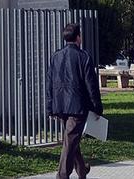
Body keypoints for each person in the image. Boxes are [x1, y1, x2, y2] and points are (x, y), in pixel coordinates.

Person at [46, 22, 103, 179]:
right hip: (77, 107)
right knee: (70, 142)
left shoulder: (55, 56)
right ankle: (62, 176)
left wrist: (50, 107)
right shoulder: (83, 57)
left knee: (72, 139)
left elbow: (49, 83)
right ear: (78, 37)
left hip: (60, 105)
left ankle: (82, 170)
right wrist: (97, 108)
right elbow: (91, 85)